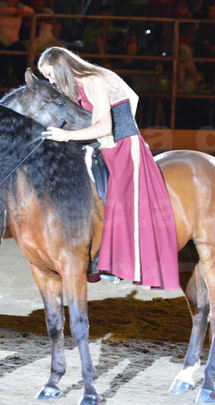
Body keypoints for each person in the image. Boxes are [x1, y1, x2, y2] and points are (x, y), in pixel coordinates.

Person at [38, 47, 179, 291]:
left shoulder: (94, 81)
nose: (50, 81)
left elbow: (104, 126)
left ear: (61, 68)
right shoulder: (77, 85)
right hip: (102, 147)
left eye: (50, 75)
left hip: (122, 145)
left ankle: (114, 261)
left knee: (119, 200)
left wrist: (66, 136)